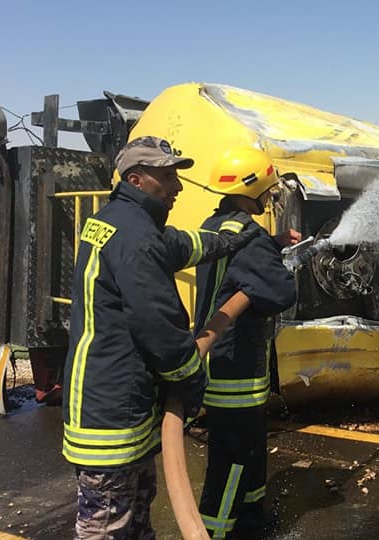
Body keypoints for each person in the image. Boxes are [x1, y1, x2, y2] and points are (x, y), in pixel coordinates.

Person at [62, 136, 259, 539]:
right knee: (108, 527)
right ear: (137, 179)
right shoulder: (137, 237)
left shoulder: (119, 220)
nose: (177, 187)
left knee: (136, 518)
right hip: (112, 415)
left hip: (112, 399)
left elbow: (181, 244)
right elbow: (161, 327)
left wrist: (229, 240)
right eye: (167, 176)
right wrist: (190, 380)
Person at [193, 148, 300, 539]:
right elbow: (280, 291)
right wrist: (282, 261)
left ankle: (252, 520)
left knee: (250, 452)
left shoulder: (217, 226)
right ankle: (216, 532)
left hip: (220, 364)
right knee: (234, 460)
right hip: (236, 370)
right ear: (250, 189)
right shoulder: (249, 239)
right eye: (267, 191)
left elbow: (237, 270)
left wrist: (271, 244)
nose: (269, 198)